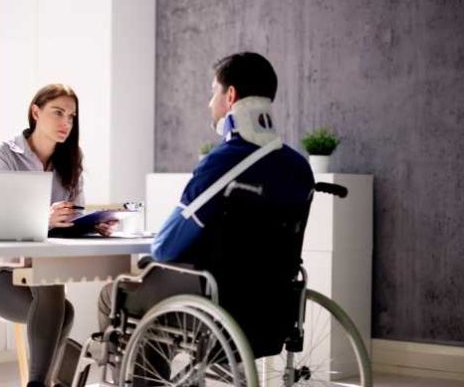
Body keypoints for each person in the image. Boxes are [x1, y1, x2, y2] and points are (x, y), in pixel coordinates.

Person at [96, 52, 315, 381]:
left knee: (115, 294)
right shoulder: (299, 168)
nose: (209, 102)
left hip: (215, 303)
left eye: (213, 91)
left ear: (230, 97)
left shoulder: (223, 163)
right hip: (272, 310)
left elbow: (164, 250)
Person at [0, 84, 115, 387]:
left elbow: (72, 213)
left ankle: (40, 384)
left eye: (71, 116)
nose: (66, 123)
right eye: (58, 112)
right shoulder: (2, 156)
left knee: (56, 293)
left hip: (34, 271)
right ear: (36, 112)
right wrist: (42, 219)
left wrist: (88, 223)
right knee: (61, 306)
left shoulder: (70, 160)